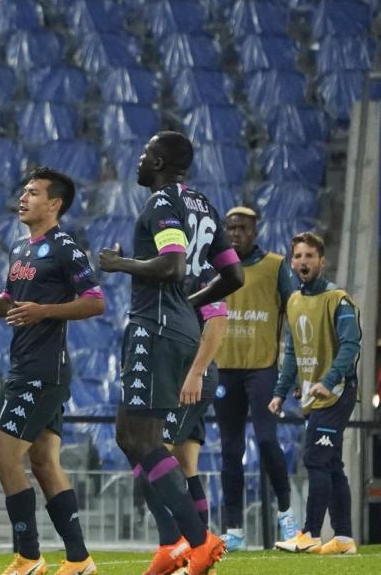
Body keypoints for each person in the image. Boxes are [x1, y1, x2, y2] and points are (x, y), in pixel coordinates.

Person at [98, 131, 243, 575]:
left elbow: (173, 265)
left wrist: (121, 265)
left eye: (145, 154)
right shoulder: (204, 204)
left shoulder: (163, 201)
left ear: (159, 161)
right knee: (131, 437)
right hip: (176, 328)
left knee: (143, 439)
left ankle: (198, 541)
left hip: (155, 328)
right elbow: (233, 275)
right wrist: (190, 303)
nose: (139, 161)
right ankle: (174, 544)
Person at [0, 167, 104, 575]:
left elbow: (95, 302)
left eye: (34, 193)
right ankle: (79, 559)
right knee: (43, 464)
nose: (24, 198)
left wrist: (45, 312)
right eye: (23, 191)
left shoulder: (65, 247)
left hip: (43, 371)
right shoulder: (19, 250)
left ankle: (29, 555)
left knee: (3, 459)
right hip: (24, 366)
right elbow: (10, 300)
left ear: (54, 203)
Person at [271, 232, 361, 555]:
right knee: (333, 464)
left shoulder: (338, 299)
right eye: (298, 256)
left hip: (337, 392)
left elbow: (352, 344)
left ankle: (309, 533)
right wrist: (280, 391)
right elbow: (293, 352)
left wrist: (330, 378)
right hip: (314, 395)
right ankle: (345, 539)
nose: (303, 262)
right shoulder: (294, 301)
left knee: (316, 459)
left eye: (310, 256)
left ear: (322, 261)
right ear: (292, 261)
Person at [214, 206, 297, 550]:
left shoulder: (276, 266)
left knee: (265, 441)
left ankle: (287, 512)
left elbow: (294, 311)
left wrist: (296, 367)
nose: (235, 233)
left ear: (255, 231)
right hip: (225, 367)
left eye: (242, 228)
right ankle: (233, 529)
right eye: (231, 228)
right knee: (231, 450)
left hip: (262, 366)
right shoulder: (216, 266)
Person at [139, 266, 228, 561]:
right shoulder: (168, 272)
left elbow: (217, 321)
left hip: (190, 376)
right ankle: (202, 548)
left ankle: (180, 542)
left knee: (150, 460)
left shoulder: (203, 272)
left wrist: (196, 372)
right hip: (177, 374)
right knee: (186, 462)